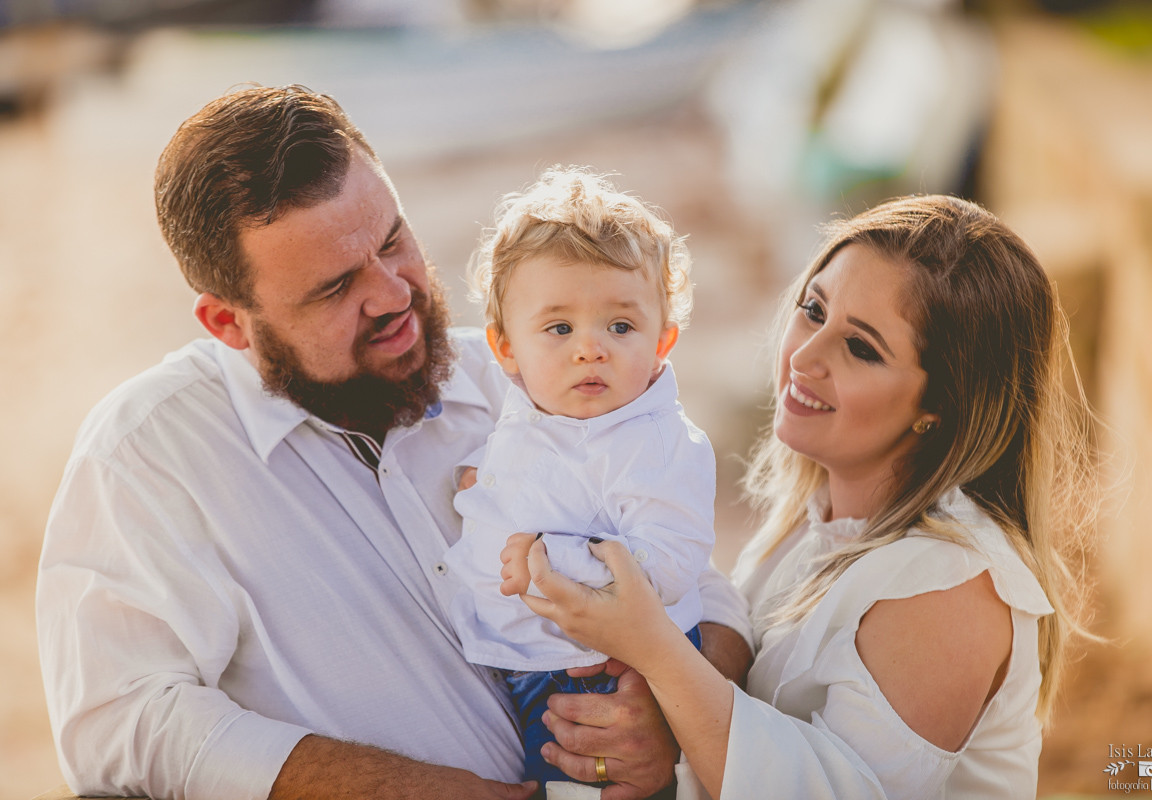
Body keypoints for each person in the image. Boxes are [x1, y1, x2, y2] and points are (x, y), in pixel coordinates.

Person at [35, 84, 753, 800]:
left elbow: (712, 596)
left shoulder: (533, 379)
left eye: (392, 241)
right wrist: (403, 791)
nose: (393, 295)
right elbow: (118, 723)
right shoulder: (146, 454)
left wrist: (675, 710)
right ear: (228, 323)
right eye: (334, 287)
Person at [504, 194, 1100, 799]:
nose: (806, 357)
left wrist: (657, 659)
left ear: (942, 403)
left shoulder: (950, 585)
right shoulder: (817, 517)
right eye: (814, 310)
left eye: (861, 348)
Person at [443, 167, 716, 797]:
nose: (590, 348)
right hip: (532, 657)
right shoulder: (539, 408)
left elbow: (672, 563)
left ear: (662, 342)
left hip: (599, 672)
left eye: (620, 326)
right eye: (559, 328)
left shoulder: (656, 444)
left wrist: (552, 558)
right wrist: (484, 481)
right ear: (505, 348)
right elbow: (551, 472)